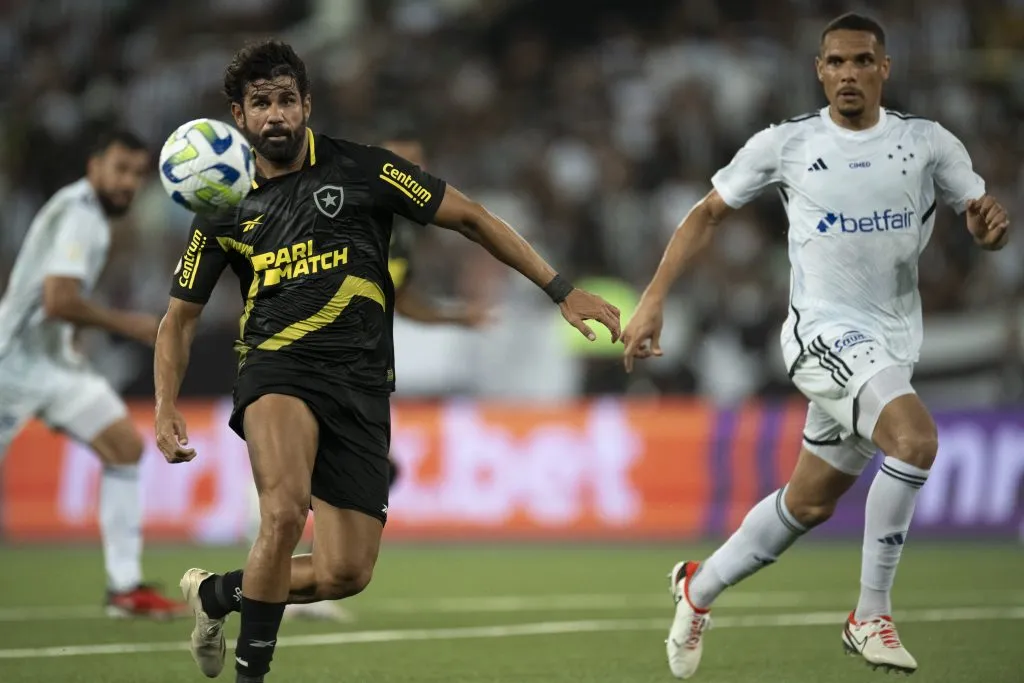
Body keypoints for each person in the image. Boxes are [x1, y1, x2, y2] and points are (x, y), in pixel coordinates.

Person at [153, 39, 619, 683]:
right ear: (239, 116)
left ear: (307, 104)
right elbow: (178, 318)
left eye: (286, 99)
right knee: (283, 514)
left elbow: (474, 218)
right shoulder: (222, 207)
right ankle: (250, 676)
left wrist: (561, 290)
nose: (276, 115)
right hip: (276, 372)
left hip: (363, 387)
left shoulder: (364, 169)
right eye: (260, 104)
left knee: (347, 572)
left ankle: (215, 596)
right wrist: (164, 403)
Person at [622, 13, 1009, 679]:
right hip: (821, 335)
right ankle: (870, 614)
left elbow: (986, 223)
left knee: (808, 503)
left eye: (862, 61)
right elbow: (705, 213)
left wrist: (989, 231)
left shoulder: (928, 145)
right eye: (836, 63)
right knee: (915, 441)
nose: (848, 74)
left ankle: (696, 588)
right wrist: (654, 297)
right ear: (819, 70)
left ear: (884, 68)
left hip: (890, 345)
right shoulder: (787, 144)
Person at [277, 132, 489, 623]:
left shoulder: (404, 233)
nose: (410, 176)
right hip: (304, 364)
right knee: (291, 489)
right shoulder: (339, 206)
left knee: (372, 475)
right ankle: (272, 585)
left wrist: (457, 319)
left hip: (356, 375)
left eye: (418, 166)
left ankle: (298, 579)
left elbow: (404, 298)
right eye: (401, 164)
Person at [0, 128, 188, 618]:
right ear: (94, 167)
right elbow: (58, 299)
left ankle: (125, 589)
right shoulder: (83, 215)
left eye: (137, 175)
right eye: (120, 169)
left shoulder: (83, 212)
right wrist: (129, 323)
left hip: (52, 365)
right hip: (9, 366)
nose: (128, 183)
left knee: (124, 447)